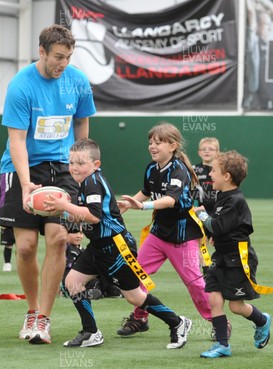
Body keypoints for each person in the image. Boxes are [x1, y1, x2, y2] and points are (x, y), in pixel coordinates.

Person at [0, 24, 96, 345]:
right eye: (57, 57)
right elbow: (17, 140)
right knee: (25, 246)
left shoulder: (78, 81)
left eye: (67, 57)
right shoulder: (21, 85)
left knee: (57, 239)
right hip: (21, 167)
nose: (62, 64)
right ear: (42, 52)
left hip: (62, 168)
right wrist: (26, 185)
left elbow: (82, 122)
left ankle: (43, 320)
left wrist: (83, 167)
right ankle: (31, 308)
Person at [44, 138, 192, 349]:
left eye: (80, 163)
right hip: (98, 246)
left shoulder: (92, 183)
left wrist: (64, 206)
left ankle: (178, 323)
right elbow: (85, 217)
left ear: (95, 164)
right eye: (72, 163)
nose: (74, 168)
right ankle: (90, 332)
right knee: (73, 282)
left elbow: (93, 216)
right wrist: (60, 211)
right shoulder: (85, 182)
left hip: (116, 248)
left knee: (134, 297)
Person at [114, 123, 211, 339]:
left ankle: (218, 321)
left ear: (173, 145)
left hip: (182, 235)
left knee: (195, 284)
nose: (152, 146)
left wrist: (143, 206)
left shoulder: (179, 169)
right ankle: (139, 318)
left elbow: (170, 200)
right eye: (150, 142)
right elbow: (146, 191)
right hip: (158, 234)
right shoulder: (152, 168)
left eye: (158, 142)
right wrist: (130, 203)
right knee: (137, 275)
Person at [194, 150, 272, 358]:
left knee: (236, 306)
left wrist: (201, 214)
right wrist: (215, 236)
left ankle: (262, 321)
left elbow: (218, 225)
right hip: (221, 256)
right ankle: (222, 345)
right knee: (214, 300)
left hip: (237, 259)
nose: (210, 175)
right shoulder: (222, 195)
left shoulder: (235, 200)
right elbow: (221, 228)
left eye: (214, 171)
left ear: (227, 176)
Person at [192, 137, 221, 216]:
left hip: (218, 209)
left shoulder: (223, 170)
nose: (207, 151)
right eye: (203, 149)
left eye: (211, 149)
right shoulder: (193, 170)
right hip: (198, 209)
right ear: (199, 152)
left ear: (217, 152)